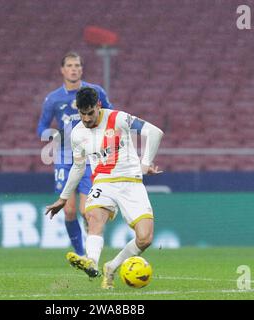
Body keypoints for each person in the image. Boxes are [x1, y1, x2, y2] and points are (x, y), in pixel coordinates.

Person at [45, 87, 164, 289]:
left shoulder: (118, 118)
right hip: (103, 182)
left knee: (145, 238)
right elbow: (78, 167)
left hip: (130, 182)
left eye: (90, 112)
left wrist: (145, 163)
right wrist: (64, 198)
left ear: (98, 105)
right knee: (94, 217)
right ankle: (91, 260)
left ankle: (111, 267)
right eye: (82, 113)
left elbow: (155, 132)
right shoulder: (77, 134)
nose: (86, 118)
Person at [37, 52, 113, 257]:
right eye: (70, 65)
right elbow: (42, 127)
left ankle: (91, 251)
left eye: (77, 65)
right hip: (64, 158)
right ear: (62, 70)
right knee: (68, 211)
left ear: (82, 68)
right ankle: (81, 254)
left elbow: (110, 115)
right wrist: (54, 135)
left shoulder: (95, 91)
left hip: (89, 157)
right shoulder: (53, 99)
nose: (74, 69)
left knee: (86, 211)